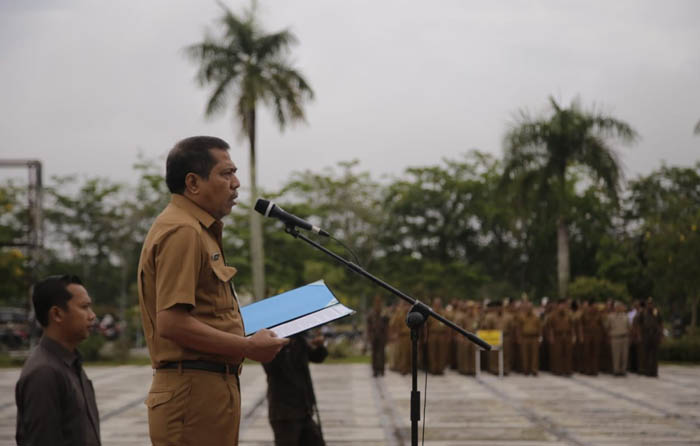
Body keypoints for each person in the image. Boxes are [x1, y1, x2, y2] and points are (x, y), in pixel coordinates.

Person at [137, 136, 288, 446]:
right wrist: (248, 346)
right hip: (192, 394)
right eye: (226, 173)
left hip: (206, 389)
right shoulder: (183, 230)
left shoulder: (196, 228)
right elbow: (171, 323)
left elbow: (207, 313)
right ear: (193, 182)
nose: (236, 183)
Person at [15, 274, 100, 446]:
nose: (92, 316)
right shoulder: (44, 373)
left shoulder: (70, 364)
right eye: (84, 307)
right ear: (57, 314)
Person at [263, 331, 328, 446]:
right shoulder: (270, 342)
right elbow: (271, 368)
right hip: (283, 413)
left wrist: (320, 346)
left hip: (304, 408)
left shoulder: (299, 340)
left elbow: (316, 357)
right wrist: (283, 345)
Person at [366, 295, 389, 377]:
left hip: (382, 336)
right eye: (376, 302)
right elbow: (368, 326)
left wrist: (387, 336)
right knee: (374, 354)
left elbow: (387, 326)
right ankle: (375, 370)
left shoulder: (384, 313)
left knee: (382, 354)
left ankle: (381, 369)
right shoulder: (371, 314)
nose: (377, 304)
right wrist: (369, 336)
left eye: (379, 302)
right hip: (374, 336)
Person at [606, 301, 631, 376]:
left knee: (624, 355)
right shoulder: (610, 316)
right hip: (615, 337)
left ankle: (623, 370)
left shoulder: (626, 316)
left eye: (620, 307)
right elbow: (607, 327)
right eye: (617, 307)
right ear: (614, 308)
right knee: (616, 355)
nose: (619, 308)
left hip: (624, 337)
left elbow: (629, 327)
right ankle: (616, 370)